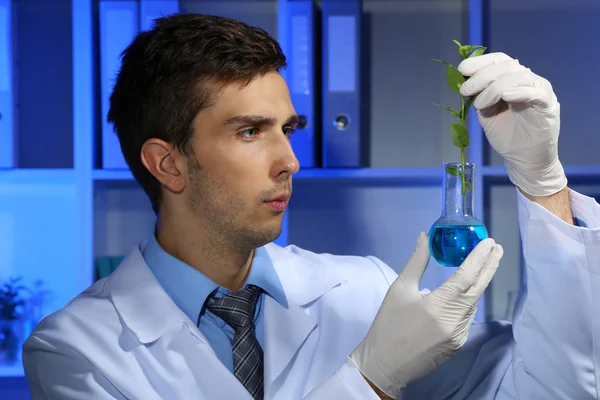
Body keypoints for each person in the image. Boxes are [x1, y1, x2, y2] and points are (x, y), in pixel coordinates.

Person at [22, 13, 599, 400]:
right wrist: (370, 379)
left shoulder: (364, 290)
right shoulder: (76, 350)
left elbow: (551, 389)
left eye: (288, 128)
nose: (289, 160)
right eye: (249, 132)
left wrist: (539, 179)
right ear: (167, 163)